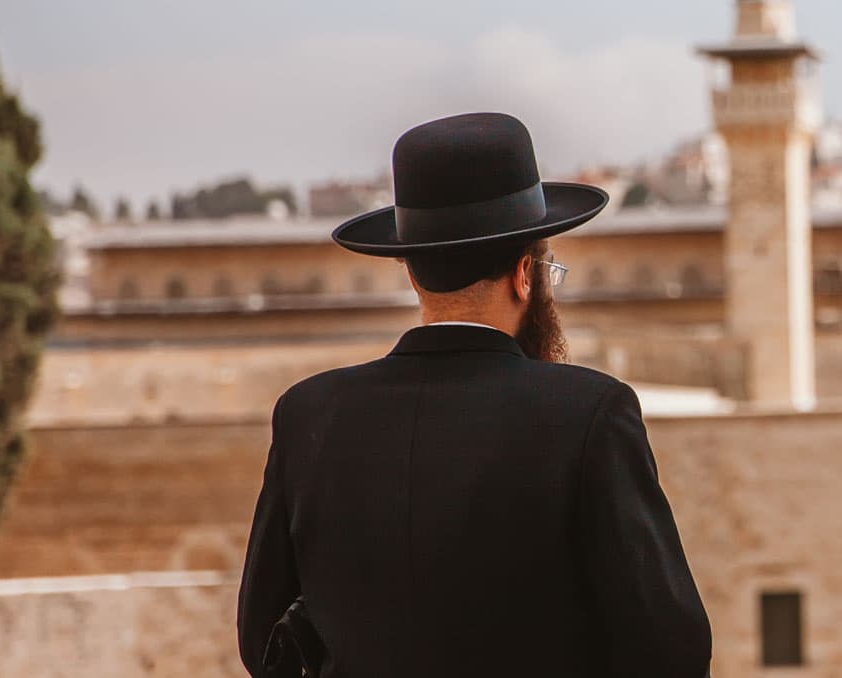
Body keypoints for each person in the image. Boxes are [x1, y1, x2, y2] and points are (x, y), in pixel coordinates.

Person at [237, 112, 711, 678]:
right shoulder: (590, 414)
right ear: (525, 275)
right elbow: (671, 648)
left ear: (412, 274)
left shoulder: (307, 415)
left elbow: (261, 638)